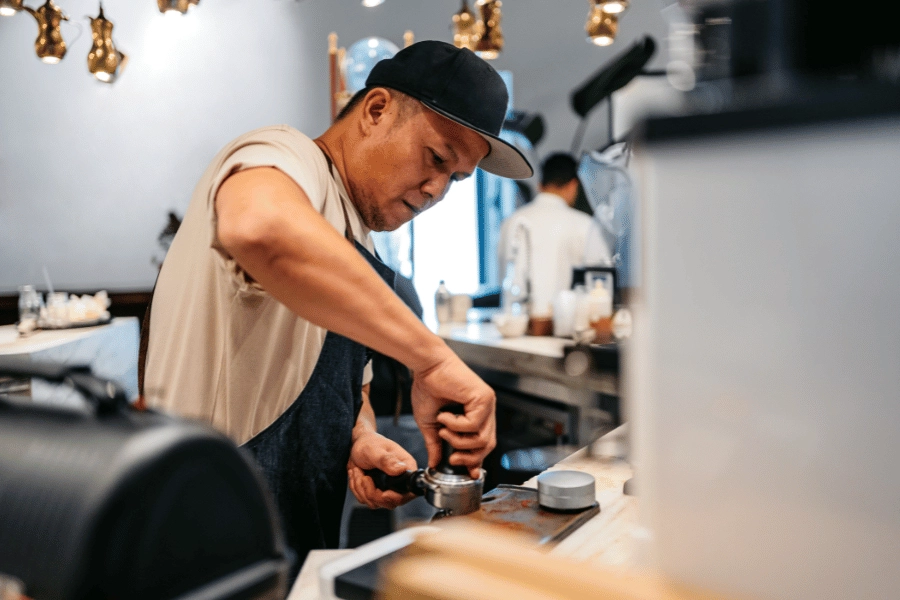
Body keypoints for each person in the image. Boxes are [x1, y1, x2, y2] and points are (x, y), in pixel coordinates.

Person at [141, 41, 533, 574]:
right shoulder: (285, 154)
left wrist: (362, 438)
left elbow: (345, 387)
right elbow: (259, 225)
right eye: (437, 158)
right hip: (204, 538)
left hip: (289, 547)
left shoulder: (357, 249)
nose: (437, 189)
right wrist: (433, 360)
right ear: (376, 111)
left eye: (457, 178)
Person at [497, 153, 612, 318]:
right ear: (573, 185)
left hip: (512, 329)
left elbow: (504, 277)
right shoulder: (584, 224)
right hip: (561, 329)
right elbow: (601, 284)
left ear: (540, 185)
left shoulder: (510, 222)